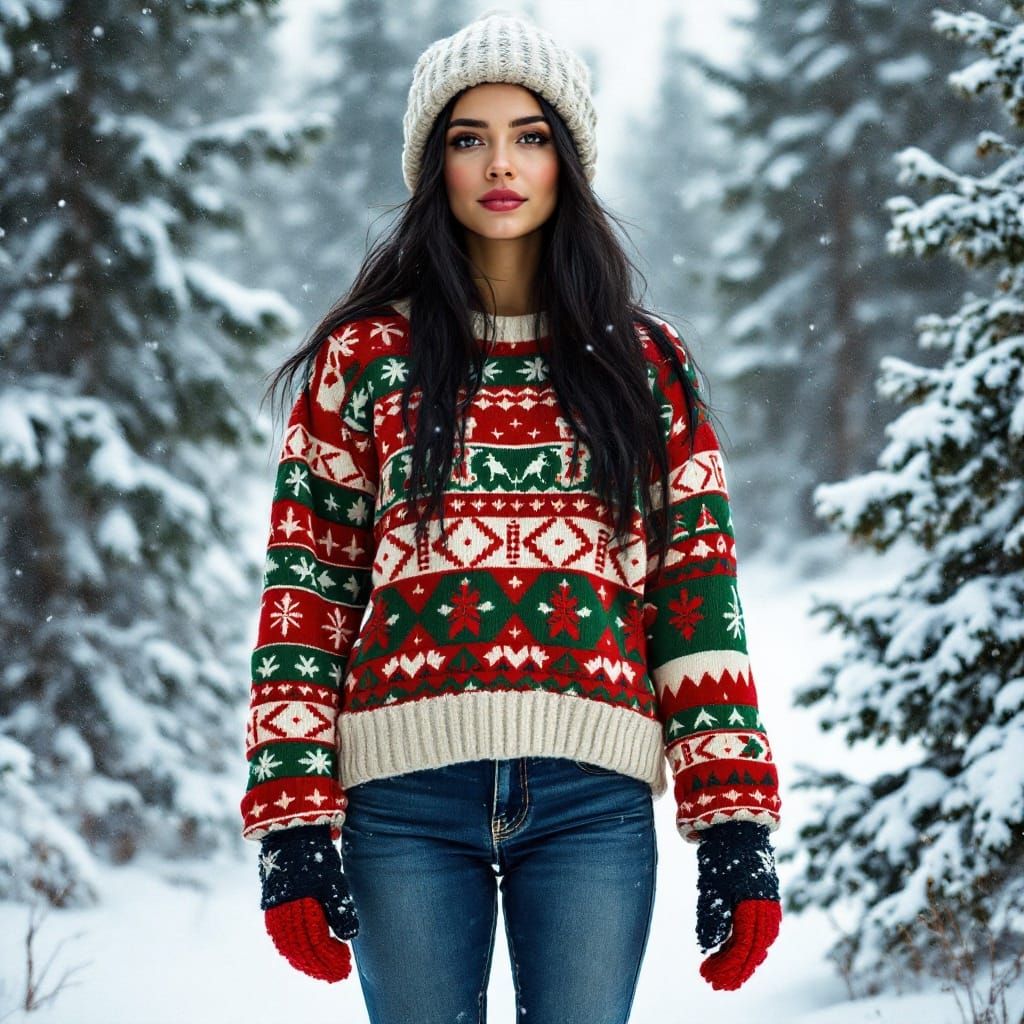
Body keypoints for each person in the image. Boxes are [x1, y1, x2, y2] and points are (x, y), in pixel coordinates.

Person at [239, 10, 783, 1023]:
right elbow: (305, 597)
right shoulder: (366, 359)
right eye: (468, 136)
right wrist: (291, 823)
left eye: (529, 135)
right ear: (432, 162)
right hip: (403, 799)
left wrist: (734, 824)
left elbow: (695, 598)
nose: (500, 162)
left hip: (591, 799)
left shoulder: (645, 363)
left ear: (565, 159)